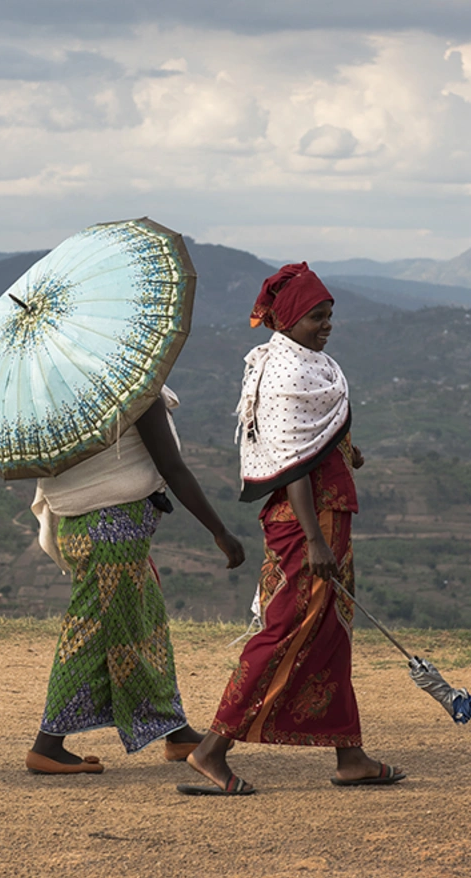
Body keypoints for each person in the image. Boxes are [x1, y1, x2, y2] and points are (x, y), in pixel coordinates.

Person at [180, 262, 403, 796]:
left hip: (322, 514)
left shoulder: (293, 361)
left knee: (330, 631)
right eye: (315, 317)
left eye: (328, 315)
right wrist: (316, 539)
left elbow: (312, 440)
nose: (326, 325)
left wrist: (347, 451)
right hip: (309, 522)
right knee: (284, 629)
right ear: (288, 318)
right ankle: (211, 749)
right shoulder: (287, 372)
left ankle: (350, 755)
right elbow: (293, 461)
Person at [24, 386, 246, 774]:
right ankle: (48, 744)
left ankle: (175, 732)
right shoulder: (133, 391)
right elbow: (172, 467)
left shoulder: (62, 394)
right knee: (89, 634)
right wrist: (219, 531)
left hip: (84, 527)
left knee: (146, 625)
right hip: (112, 531)